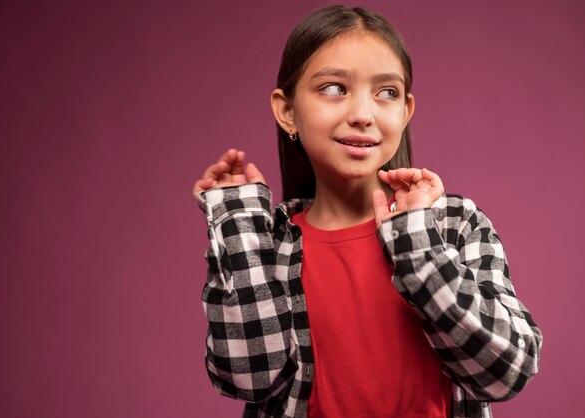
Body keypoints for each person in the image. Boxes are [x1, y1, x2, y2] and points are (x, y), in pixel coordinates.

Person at [192, 5, 542, 418]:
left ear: (406, 111)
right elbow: (249, 377)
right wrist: (237, 224)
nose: (362, 115)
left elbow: (507, 370)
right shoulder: (271, 243)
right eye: (334, 88)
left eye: (387, 92)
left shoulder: (453, 224)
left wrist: (418, 243)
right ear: (287, 111)